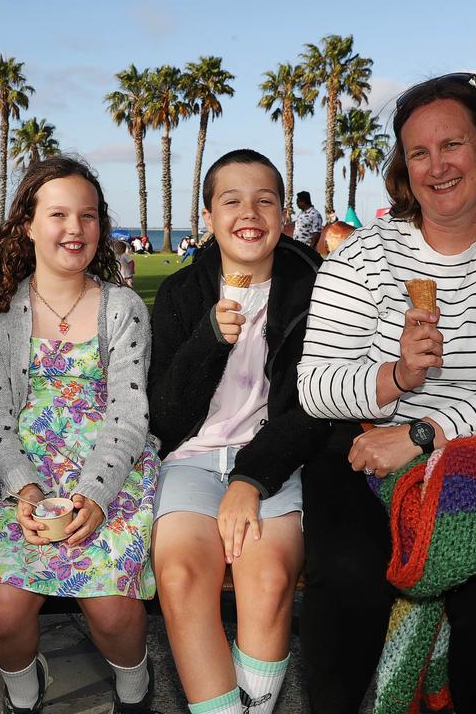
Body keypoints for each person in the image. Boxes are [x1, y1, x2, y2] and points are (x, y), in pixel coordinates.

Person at [296, 73, 476, 713]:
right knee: (347, 580)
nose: (436, 167)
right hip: (363, 453)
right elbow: (314, 387)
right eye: (418, 153)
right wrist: (395, 379)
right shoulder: (361, 259)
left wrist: (423, 433)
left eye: (451, 145)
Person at [0, 155, 158, 714]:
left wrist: (95, 495)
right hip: (27, 473)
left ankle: (134, 690)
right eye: (58, 214)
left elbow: (128, 413)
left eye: (89, 215)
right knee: (1, 607)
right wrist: (23, 488)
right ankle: (24, 695)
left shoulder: (121, 308)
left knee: (109, 607)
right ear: (27, 224)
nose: (75, 229)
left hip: (112, 471)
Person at [148, 149, 327, 714]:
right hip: (191, 460)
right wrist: (208, 341)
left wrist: (252, 478)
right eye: (231, 200)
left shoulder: (315, 292)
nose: (249, 212)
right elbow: (164, 419)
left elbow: (317, 408)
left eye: (265, 200)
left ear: (284, 217)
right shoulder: (181, 295)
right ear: (207, 217)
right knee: (178, 576)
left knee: (270, 579)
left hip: (275, 462)